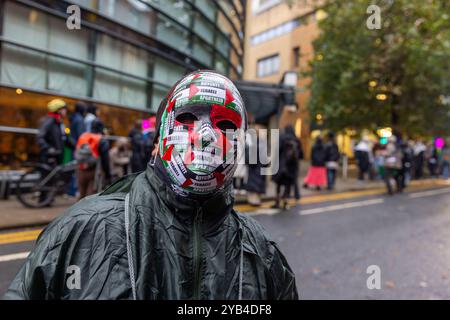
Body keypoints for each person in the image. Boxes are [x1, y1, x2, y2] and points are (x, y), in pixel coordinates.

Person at [5, 70, 298, 300]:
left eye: (226, 125)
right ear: (157, 141)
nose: (207, 135)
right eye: (187, 119)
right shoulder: (82, 230)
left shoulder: (262, 253)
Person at [75, 119, 111, 199]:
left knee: (81, 195)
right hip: (94, 171)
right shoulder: (101, 140)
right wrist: (108, 175)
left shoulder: (83, 136)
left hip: (80, 169)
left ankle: (78, 210)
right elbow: (105, 160)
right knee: (90, 197)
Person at [272, 126, 303, 209]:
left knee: (278, 184)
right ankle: (285, 202)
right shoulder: (296, 139)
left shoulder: (281, 138)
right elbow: (301, 154)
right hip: (292, 166)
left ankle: (277, 201)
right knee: (288, 184)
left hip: (281, 164)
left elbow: (276, 150)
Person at [37, 99, 74, 166]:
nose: (66, 111)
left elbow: (66, 139)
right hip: (49, 159)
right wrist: (48, 148)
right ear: (58, 110)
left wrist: (76, 146)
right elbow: (40, 138)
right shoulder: (49, 121)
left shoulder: (60, 123)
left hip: (58, 158)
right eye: (64, 109)